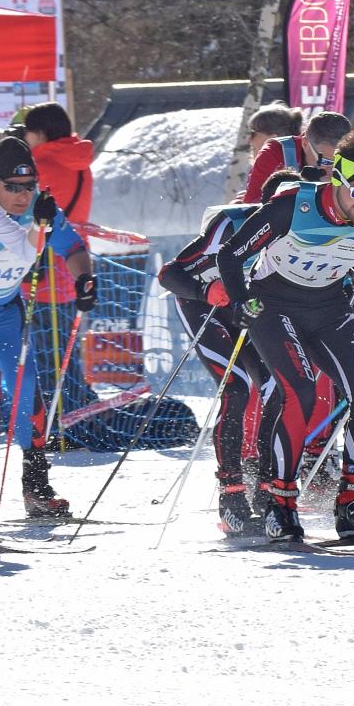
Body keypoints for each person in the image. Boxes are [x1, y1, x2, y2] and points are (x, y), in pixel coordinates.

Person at [214, 133, 354, 544]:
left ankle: (352, 504)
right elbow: (230, 255)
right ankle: (280, 505)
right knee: (299, 392)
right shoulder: (293, 206)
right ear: (336, 179)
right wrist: (241, 300)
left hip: (329, 307)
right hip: (274, 305)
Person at [0, 134, 94, 518]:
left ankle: (36, 485)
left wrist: (84, 280)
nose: (23, 195)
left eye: (29, 186)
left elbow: (73, 249)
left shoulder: (41, 212)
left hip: (5, 312)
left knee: (27, 390)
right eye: (12, 187)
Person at [156, 187, 267, 535]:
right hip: (205, 306)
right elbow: (169, 275)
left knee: (275, 386)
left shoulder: (302, 228)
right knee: (238, 388)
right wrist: (205, 292)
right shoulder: (230, 225)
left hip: (248, 308)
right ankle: (231, 493)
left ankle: (266, 486)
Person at [239, 104, 309, 203]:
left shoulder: (268, 163)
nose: (249, 140)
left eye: (253, 133)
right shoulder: (306, 155)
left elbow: (251, 205)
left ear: (273, 137)